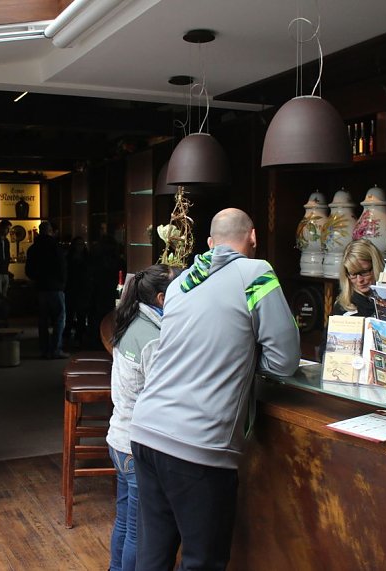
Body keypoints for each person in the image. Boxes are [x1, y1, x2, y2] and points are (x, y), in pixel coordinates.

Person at [130, 208, 300, 570]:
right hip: (197, 444)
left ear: (209, 243)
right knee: (202, 561)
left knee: (153, 555)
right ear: (253, 237)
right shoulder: (256, 273)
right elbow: (285, 361)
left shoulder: (180, 283)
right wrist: (246, 361)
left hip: (146, 431)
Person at [106, 264, 176, 571]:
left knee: (124, 519)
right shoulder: (153, 339)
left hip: (118, 437)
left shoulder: (130, 322)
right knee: (140, 530)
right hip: (138, 443)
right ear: (161, 298)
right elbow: (165, 392)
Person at [25, 221, 68, 359]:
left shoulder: (33, 249)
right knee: (59, 319)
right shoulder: (56, 247)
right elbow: (62, 267)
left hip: (40, 287)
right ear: (50, 231)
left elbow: (29, 270)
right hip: (55, 287)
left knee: (42, 320)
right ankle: (56, 348)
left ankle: (44, 349)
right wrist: (62, 283)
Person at [333, 239, 385, 317]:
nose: (359, 280)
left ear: (376, 266)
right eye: (353, 274)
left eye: (364, 272)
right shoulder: (342, 308)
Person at [65, 236, 90, 349]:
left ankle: (78, 337)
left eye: (81, 244)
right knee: (69, 315)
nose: (79, 247)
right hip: (72, 288)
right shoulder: (69, 258)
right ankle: (68, 336)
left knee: (80, 315)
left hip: (81, 289)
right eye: (78, 244)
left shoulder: (85, 258)